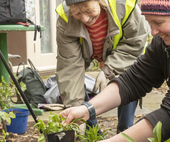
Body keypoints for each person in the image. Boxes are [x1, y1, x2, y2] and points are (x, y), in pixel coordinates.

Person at [60, 0, 170, 141]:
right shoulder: (161, 43)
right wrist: (87, 109)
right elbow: (134, 80)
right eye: (149, 22)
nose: (153, 31)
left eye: (158, 23)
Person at [55, 0, 150, 133]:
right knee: (74, 85)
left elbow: (134, 45)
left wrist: (108, 70)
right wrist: (75, 109)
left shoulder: (125, 6)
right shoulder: (65, 17)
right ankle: (92, 133)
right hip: (95, 53)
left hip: (127, 57)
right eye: (77, 13)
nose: (85, 19)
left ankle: (125, 133)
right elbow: (70, 66)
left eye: (88, 11)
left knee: (128, 80)